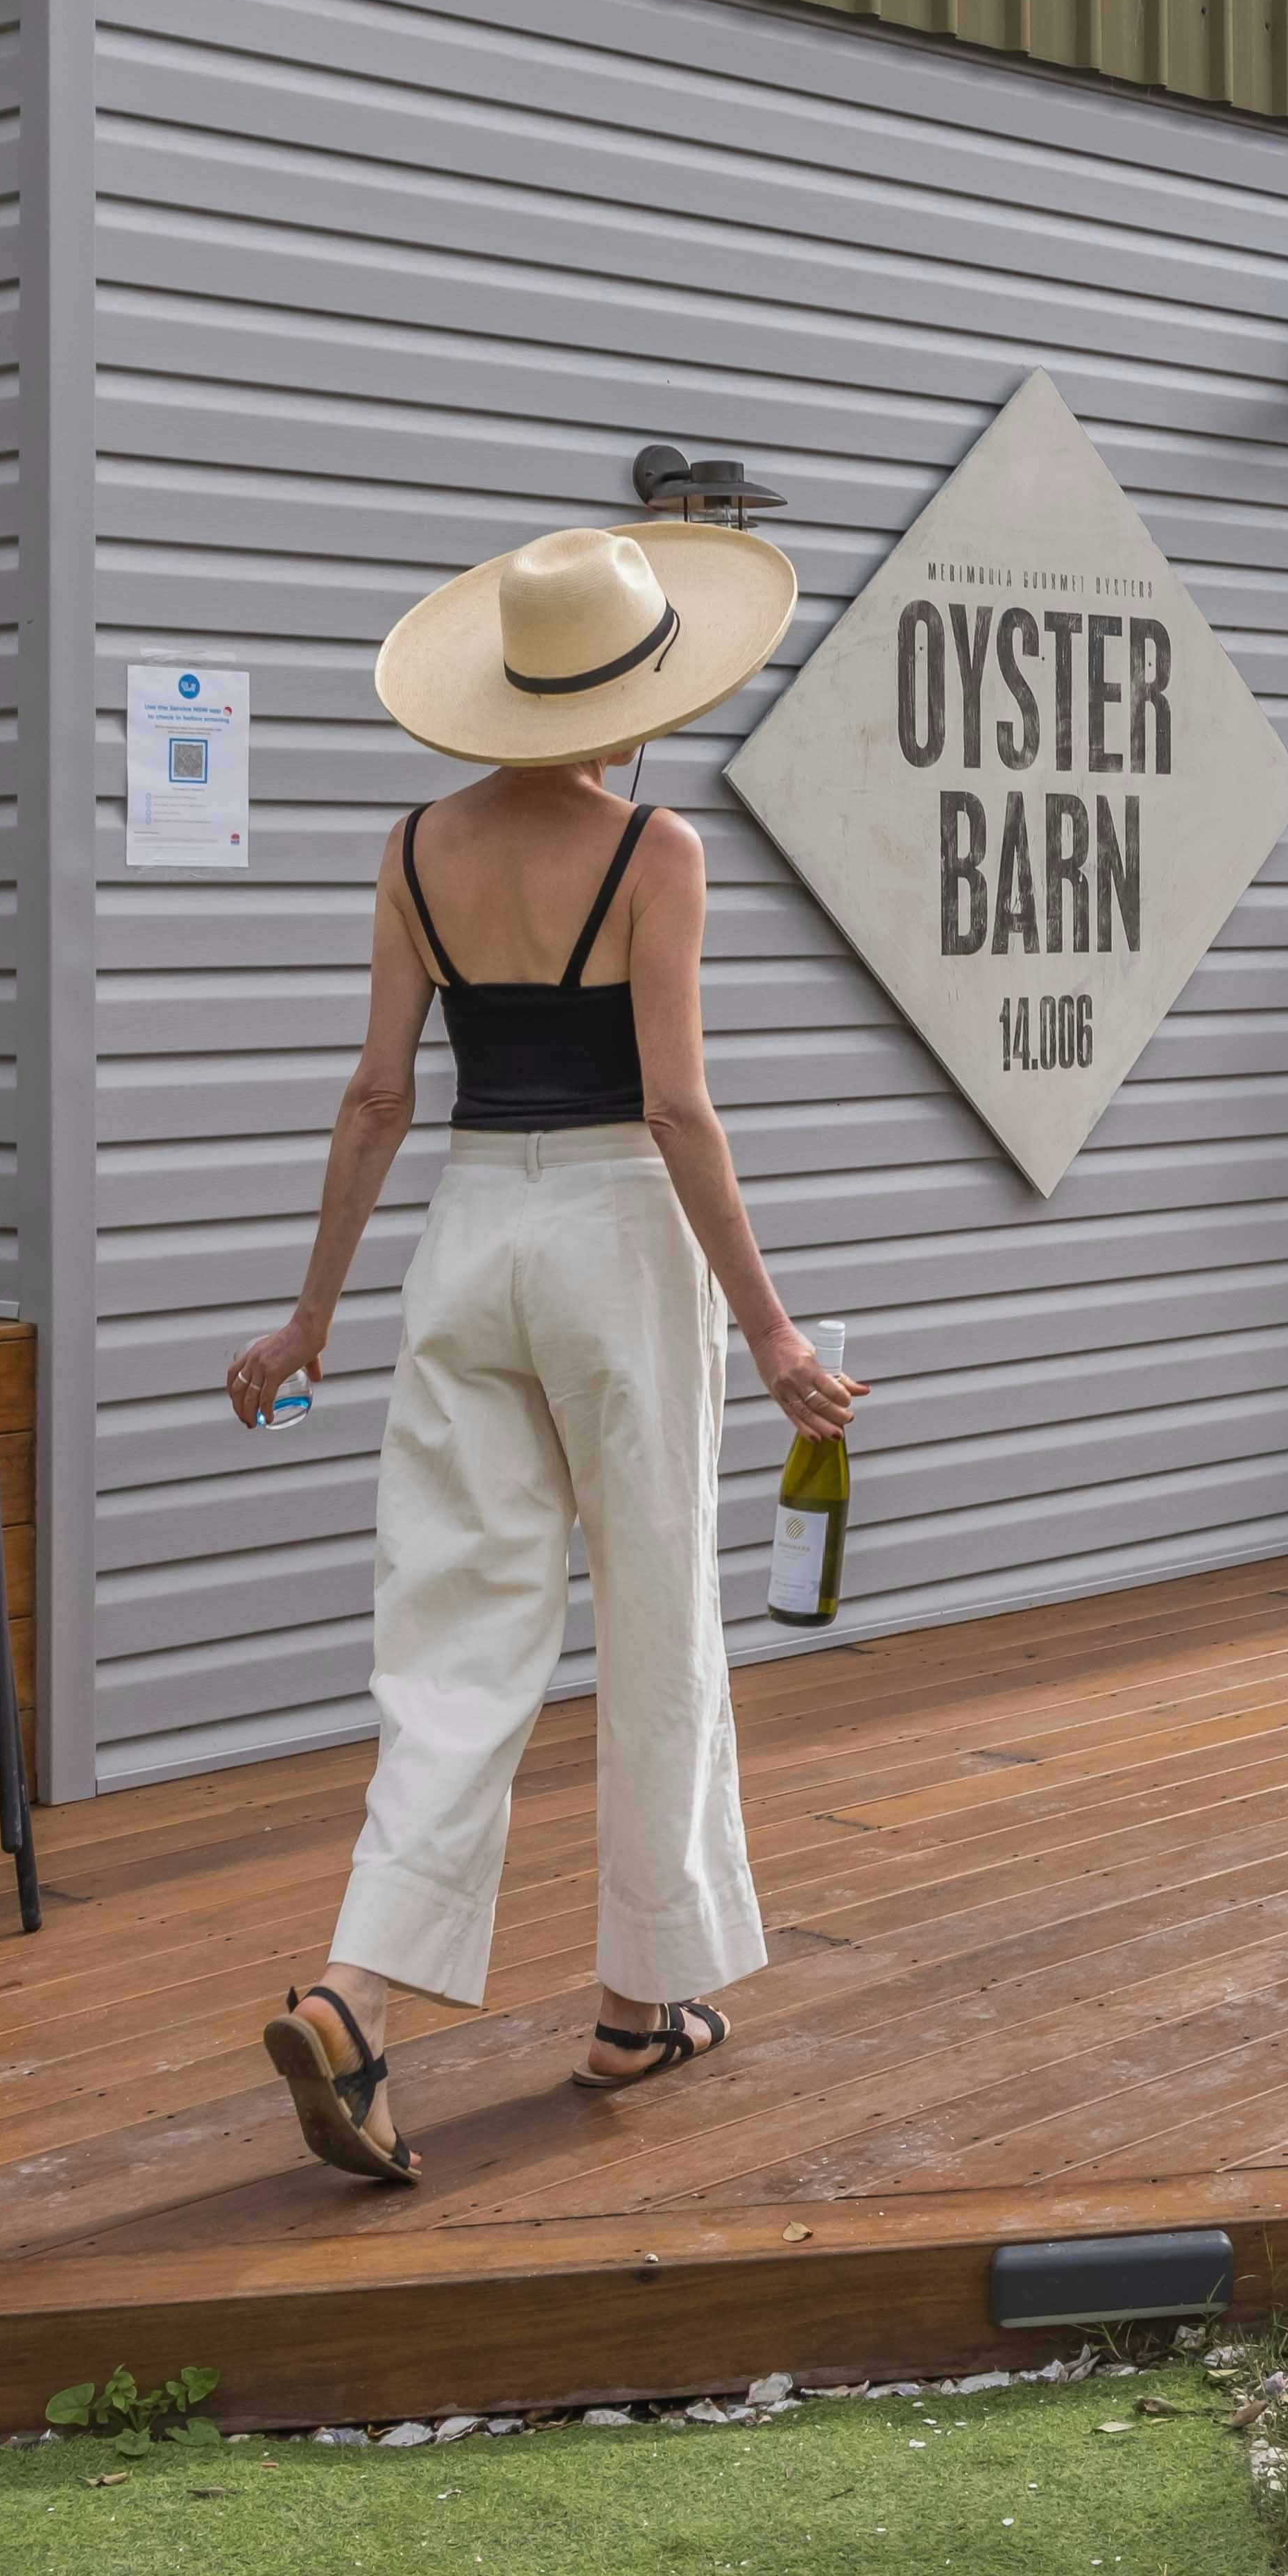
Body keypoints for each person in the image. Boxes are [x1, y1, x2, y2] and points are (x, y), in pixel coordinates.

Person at [223, 520, 860, 2185]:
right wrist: (772, 1328)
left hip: (465, 1239)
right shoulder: (655, 850)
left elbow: (379, 1093)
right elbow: (677, 1107)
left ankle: (355, 1991)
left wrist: (308, 1314)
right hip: (615, 1236)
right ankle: (638, 2003)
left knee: (450, 1635)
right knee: (656, 1618)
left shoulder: (414, 846)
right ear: (633, 698)